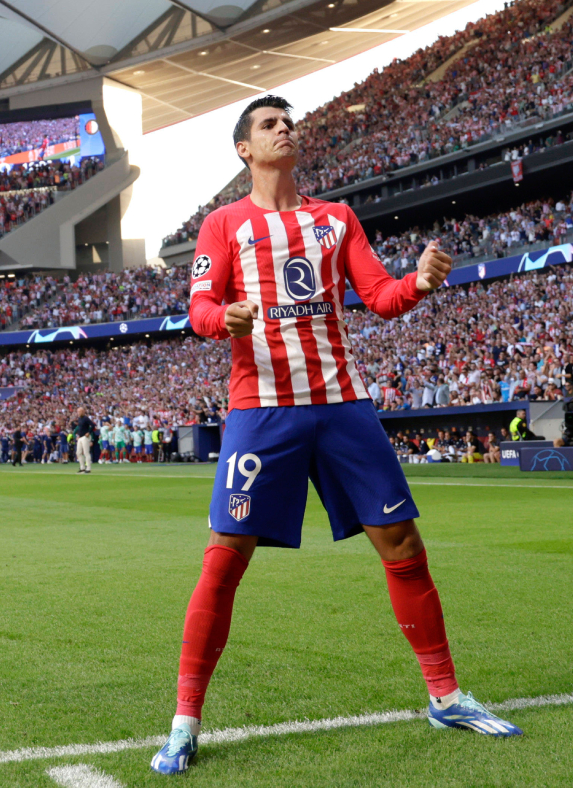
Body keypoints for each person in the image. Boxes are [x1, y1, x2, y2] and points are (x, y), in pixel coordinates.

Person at [152, 95, 520, 777]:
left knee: (403, 543)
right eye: (268, 125)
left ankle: (445, 696)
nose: (284, 129)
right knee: (224, 559)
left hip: (342, 404)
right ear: (244, 149)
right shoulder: (224, 224)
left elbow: (379, 295)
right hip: (262, 410)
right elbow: (199, 306)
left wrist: (419, 282)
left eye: (287, 122)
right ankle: (184, 723)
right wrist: (221, 318)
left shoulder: (336, 218)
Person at [73, 407, 94, 474]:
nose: (78, 413)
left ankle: (88, 468)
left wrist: (89, 432)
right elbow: (80, 428)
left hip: (85, 437)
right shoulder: (79, 419)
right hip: (80, 437)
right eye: (77, 411)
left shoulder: (86, 418)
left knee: (86, 452)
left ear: (82, 412)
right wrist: (78, 435)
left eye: (79, 411)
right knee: (78, 453)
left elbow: (93, 425)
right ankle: (82, 467)